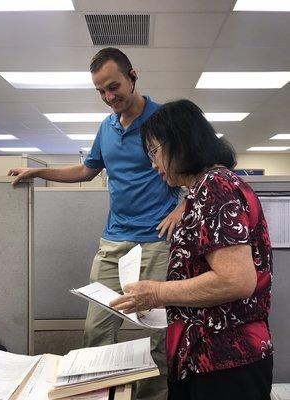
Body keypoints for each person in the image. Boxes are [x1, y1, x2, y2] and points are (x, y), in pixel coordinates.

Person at [9, 48, 186, 400]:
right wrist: (38, 170)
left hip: (155, 242)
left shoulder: (164, 119)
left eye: (114, 86)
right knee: (96, 329)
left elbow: (201, 169)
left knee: (157, 335)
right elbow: (87, 170)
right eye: (101, 91)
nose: (109, 97)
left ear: (133, 76)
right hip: (113, 243)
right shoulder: (105, 128)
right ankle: (100, 394)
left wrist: (182, 208)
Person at [110, 99, 274, 400]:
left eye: (154, 152)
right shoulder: (212, 185)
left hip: (223, 361)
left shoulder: (214, 188)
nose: (153, 164)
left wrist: (157, 293)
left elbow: (236, 280)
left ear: (179, 144)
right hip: (212, 357)